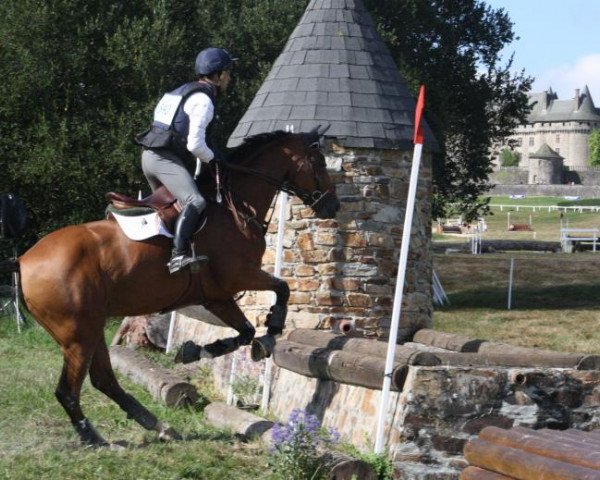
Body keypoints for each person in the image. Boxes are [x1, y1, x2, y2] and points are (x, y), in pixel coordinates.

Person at [135, 47, 235, 274]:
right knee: (196, 201)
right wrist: (214, 161)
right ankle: (178, 256)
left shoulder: (177, 92)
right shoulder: (203, 101)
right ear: (218, 76)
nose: (230, 78)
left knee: (171, 210)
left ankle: (158, 259)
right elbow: (195, 145)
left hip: (150, 158)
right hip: (163, 160)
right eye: (227, 73)